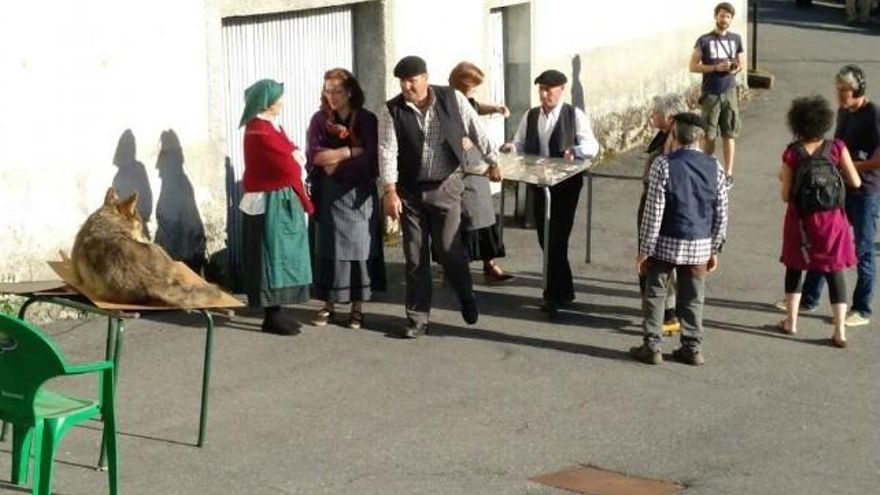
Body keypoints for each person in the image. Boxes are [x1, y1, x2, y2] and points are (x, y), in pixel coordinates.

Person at [379, 56, 500, 338]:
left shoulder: (452, 99)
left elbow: (476, 130)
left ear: (425, 77)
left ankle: (466, 296)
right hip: (410, 190)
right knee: (414, 255)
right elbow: (387, 151)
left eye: (412, 80)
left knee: (449, 250)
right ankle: (418, 318)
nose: (407, 86)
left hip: (446, 185)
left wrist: (493, 160)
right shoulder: (391, 111)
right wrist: (390, 190)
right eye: (402, 81)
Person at [631, 112, 728, 366]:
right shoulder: (714, 166)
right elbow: (721, 211)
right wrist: (715, 247)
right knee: (694, 297)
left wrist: (645, 249)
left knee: (655, 293)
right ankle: (692, 347)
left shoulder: (663, 164)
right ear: (701, 137)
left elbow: (654, 212)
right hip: (699, 243)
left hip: (665, 241)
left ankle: (652, 345)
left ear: (674, 134)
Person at [503, 69, 600, 317]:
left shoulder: (573, 115)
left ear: (561, 89)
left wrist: (575, 150)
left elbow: (592, 146)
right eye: (541, 90)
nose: (544, 94)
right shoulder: (532, 115)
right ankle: (565, 289)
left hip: (566, 185)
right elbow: (522, 142)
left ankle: (552, 294)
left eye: (549, 90)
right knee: (544, 238)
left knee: (557, 239)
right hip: (539, 184)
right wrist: (512, 147)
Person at [796, 65, 880, 327]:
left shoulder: (874, 114)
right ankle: (809, 299)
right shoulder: (844, 112)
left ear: (857, 90)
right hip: (841, 188)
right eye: (838, 88)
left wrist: (852, 167)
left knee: (863, 250)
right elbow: (838, 146)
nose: (839, 94)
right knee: (827, 242)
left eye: (843, 90)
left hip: (866, 191)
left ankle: (862, 309)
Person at [306, 68, 386, 330]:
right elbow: (315, 156)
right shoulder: (320, 120)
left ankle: (357, 307)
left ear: (350, 91)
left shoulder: (366, 119)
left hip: (358, 195)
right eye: (327, 91)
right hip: (328, 194)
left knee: (359, 247)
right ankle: (327, 304)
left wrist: (336, 165)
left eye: (337, 91)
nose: (331, 96)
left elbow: (370, 161)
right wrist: (349, 151)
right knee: (328, 246)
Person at [778, 95, 860, 348]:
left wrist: (782, 178)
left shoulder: (792, 153)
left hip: (801, 220)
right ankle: (839, 331)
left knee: (794, 266)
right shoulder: (836, 148)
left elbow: (784, 195)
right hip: (833, 219)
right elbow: (855, 182)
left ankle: (791, 321)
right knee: (835, 270)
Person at [239, 79, 314, 336]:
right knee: (270, 257)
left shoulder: (269, 127)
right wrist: (296, 159)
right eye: (279, 98)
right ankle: (271, 316)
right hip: (268, 203)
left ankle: (278, 311)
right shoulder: (259, 130)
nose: (282, 102)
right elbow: (286, 164)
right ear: (268, 102)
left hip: (278, 199)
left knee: (280, 255)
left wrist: (295, 155)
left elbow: (290, 150)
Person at [447, 61, 512, 285]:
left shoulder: (467, 101)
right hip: (460, 167)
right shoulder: (448, 102)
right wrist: (458, 138)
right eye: (473, 87)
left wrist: (494, 108)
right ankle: (454, 268)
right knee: (462, 219)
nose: (474, 93)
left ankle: (489, 263)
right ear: (463, 85)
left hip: (478, 163)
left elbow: (475, 107)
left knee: (485, 214)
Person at [639, 94, 688, 334]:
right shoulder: (674, 135)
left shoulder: (672, 143)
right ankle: (668, 312)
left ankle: (665, 316)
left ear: (668, 118)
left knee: (658, 262)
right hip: (661, 201)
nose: (652, 116)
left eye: (655, 113)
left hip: (659, 203)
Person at [689, 2, 744, 180]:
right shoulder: (704, 40)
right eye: (722, 15)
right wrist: (715, 68)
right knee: (709, 134)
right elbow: (693, 66)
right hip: (711, 92)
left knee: (729, 133)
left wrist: (734, 68)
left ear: (731, 19)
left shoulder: (736, 39)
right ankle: (707, 170)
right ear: (716, 17)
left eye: (728, 16)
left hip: (729, 91)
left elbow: (740, 63)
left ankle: (728, 173)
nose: (724, 19)